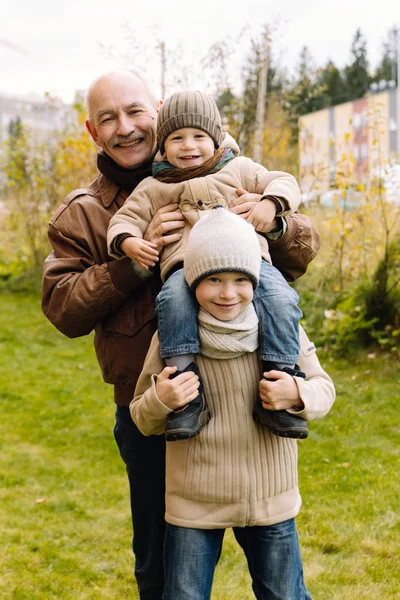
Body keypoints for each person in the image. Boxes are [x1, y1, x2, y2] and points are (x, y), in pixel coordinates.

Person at [41, 69, 320, 599]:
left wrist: (271, 222)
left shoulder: (230, 169)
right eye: (108, 118)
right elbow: (63, 308)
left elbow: (303, 251)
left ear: (161, 109)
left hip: (248, 401)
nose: (125, 127)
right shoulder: (85, 211)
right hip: (156, 406)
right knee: (167, 571)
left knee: (275, 556)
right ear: (92, 131)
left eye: (135, 111)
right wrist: (132, 262)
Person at [131, 207, 336, 600]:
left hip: (269, 500)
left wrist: (298, 394)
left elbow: (324, 388)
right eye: (214, 280)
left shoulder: (282, 330)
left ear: (257, 282)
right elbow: (142, 417)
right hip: (194, 503)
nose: (228, 293)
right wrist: (161, 399)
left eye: (241, 280)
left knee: (284, 595)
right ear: (192, 284)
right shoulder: (173, 339)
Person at [107, 89, 307, 443]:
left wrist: (271, 204)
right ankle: (186, 394)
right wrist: (129, 242)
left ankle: (280, 379)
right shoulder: (154, 186)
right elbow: (124, 219)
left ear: (214, 138)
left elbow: (285, 180)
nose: (189, 146)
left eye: (199, 136)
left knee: (280, 298)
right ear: (162, 147)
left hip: (249, 264)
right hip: (186, 270)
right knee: (172, 303)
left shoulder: (239, 169)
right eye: (177, 138)